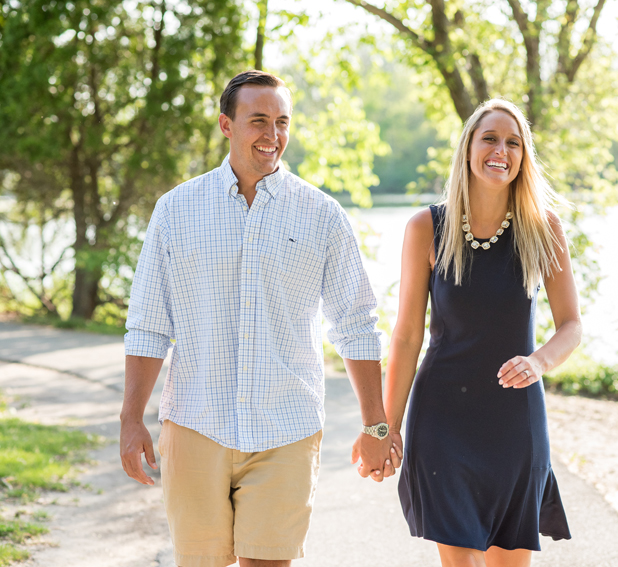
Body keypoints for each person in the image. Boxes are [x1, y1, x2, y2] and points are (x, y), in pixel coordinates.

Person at [119, 70, 395, 567]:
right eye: (259, 120)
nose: (272, 135)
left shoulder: (322, 215)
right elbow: (149, 323)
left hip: (285, 428)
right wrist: (130, 418)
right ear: (227, 124)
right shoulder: (176, 210)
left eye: (283, 122)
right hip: (195, 422)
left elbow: (355, 323)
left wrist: (376, 426)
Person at [384, 98, 581, 567]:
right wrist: (386, 427)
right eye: (489, 138)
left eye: (514, 142)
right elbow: (407, 337)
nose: (501, 150)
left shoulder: (543, 229)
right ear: (468, 148)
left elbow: (571, 325)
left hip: (515, 423)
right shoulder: (426, 228)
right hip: (442, 422)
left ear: (524, 156)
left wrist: (539, 361)